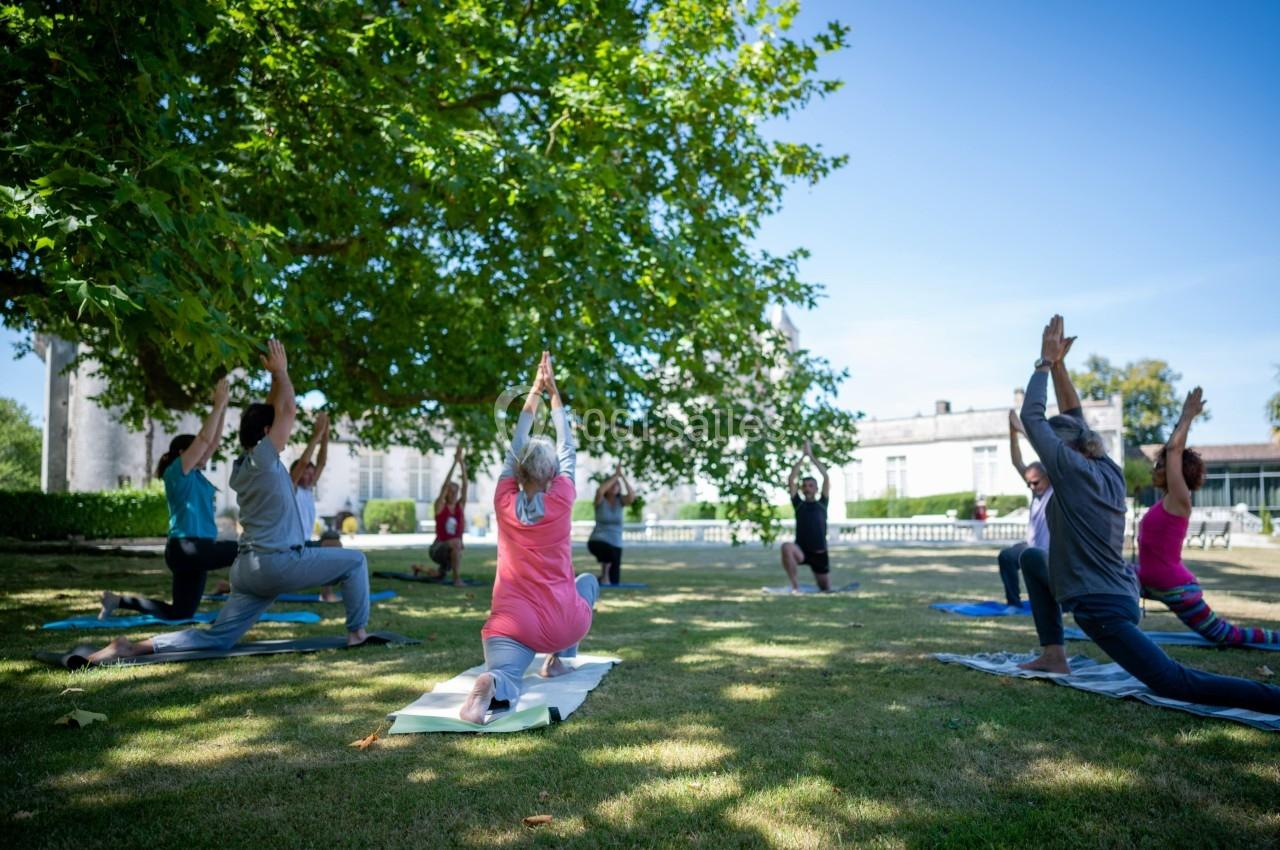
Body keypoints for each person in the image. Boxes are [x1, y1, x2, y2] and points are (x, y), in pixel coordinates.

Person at [1018, 315, 1279, 712]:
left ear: (1066, 452)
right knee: (1032, 558)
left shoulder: (1072, 471)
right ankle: (1055, 655)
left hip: (1100, 606)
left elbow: (1032, 418)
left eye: (1054, 446)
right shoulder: (1104, 466)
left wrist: (1042, 362)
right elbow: (1074, 416)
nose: (1047, 452)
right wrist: (1060, 366)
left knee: (1173, 682)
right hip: (1117, 590)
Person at [86, 340, 373, 664]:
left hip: (248, 570)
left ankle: (132, 647)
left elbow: (269, 414)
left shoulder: (245, 464)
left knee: (217, 638)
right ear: (267, 432)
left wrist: (274, 381)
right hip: (278, 563)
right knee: (355, 561)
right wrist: (283, 371)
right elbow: (288, 410)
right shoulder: (265, 461)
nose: (284, 429)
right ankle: (357, 633)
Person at [460, 352, 599, 724]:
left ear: (518, 472)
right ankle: (557, 660)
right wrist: (553, 392)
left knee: (505, 671)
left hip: (513, 622)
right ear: (552, 472)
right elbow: (567, 446)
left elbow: (516, 440)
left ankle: (494, 683)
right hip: (563, 621)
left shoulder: (504, 499)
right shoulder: (562, 497)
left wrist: (533, 392)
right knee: (586, 583)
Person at [1138, 388, 1278, 645]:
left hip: (1177, 590)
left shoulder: (1179, 500)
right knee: (1105, 575)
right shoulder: (1165, 502)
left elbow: (1173, 451)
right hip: (1144, 581)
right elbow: (1171, 452)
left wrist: (1187, 416)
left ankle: (1274, 636)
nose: (1154, 469)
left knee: (1226, 636)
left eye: (1160, 465)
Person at [98, 378, 236, 621]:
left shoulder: (195, 474)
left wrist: (223, 407)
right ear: (184, 453)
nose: (205, 453)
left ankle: (116, 601)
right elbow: (204, 439)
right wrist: (216, 407)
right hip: (188, 548)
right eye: (196, 450)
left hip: (193, 551)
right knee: (244, 549)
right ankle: (249, 596)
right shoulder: (177, 472)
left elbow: (212, 441)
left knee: (180, 613)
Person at [995, 409, 1054, 614]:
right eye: (1028, 483)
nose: (1031, 487)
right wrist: (1012, 433)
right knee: (1006, 557)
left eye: (1035, 482)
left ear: (1047, 476)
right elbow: (1016, 461)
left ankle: (1061, 604)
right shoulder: (1036, 489)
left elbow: (1047, 452)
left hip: (1051, 552)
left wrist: (1022, 430)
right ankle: (1014, 604)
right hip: (1032, 546)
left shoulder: (1057, 488)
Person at [290, 411, 341, 601]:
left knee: (334, 544)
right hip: (290, 546)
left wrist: (326, 434)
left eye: (312, 474)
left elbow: (321, 462)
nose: (311, 476)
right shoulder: (290, 488)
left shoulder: (307, 489)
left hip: (305, 543)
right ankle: (326, 594)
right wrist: (316, 434)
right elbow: (304, 461)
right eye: (306, 473)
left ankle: (327, 593)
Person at [781, 440, 832, 593]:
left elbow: (826, 477)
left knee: (825, 588)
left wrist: (812, 456)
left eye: (810, 485)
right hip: (801, 551)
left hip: (819, 553)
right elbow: (791, 480)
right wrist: (803, 457)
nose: (807, 488)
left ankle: (823, 585)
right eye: (804, 486)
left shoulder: (823, 503)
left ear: (816, 488)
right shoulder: (799, 505)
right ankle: (795, 587)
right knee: (786, 547)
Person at [588, 463, 637, 586]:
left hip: (616, 543)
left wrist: (622, 477)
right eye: (613, 484)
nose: (615, 486)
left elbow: (632, 496)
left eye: (617, 485)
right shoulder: (600, 500)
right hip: (599, 540)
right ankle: (604, 576)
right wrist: (615, 476)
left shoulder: (621, 501)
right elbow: (600, 490)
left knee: (614, 581)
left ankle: (598, 579)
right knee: (607, 552)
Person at [426, 447, 469, 586]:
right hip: (437, 548)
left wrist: (461, 462)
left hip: (452, 550)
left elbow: (466, 485)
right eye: (451, 492)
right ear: (446, 493)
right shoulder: (440, 506)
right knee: (456, 543)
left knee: (440, 574)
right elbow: (444, 486)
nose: (454, 494)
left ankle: (427, 570)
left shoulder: (459, 507)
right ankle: (457, 579)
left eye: (455, 492)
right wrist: (454, 462)